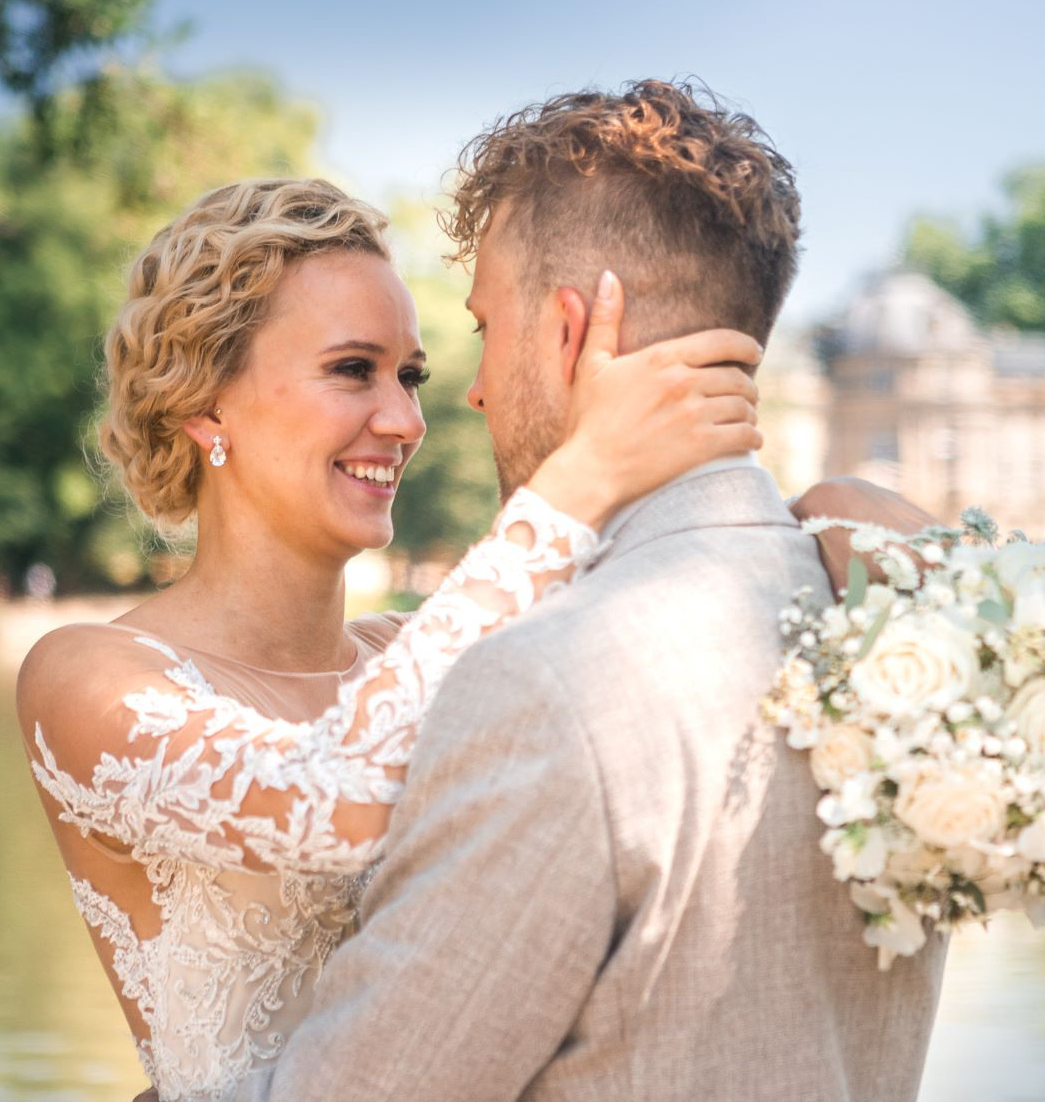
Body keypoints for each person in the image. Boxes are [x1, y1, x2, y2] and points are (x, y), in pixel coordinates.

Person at [224, 80, 948, 1102]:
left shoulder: (549, 684)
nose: (472, 390)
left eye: (485, 327)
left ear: (568, 334)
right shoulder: (903, 620)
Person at [15, 176, 770, 1102]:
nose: (407, 421)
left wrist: (849, 531)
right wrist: (582, 478)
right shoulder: (86, 676)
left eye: (410, 376)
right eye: (352, 369)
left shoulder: (421, 650)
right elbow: (335, 802)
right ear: (206, 405)